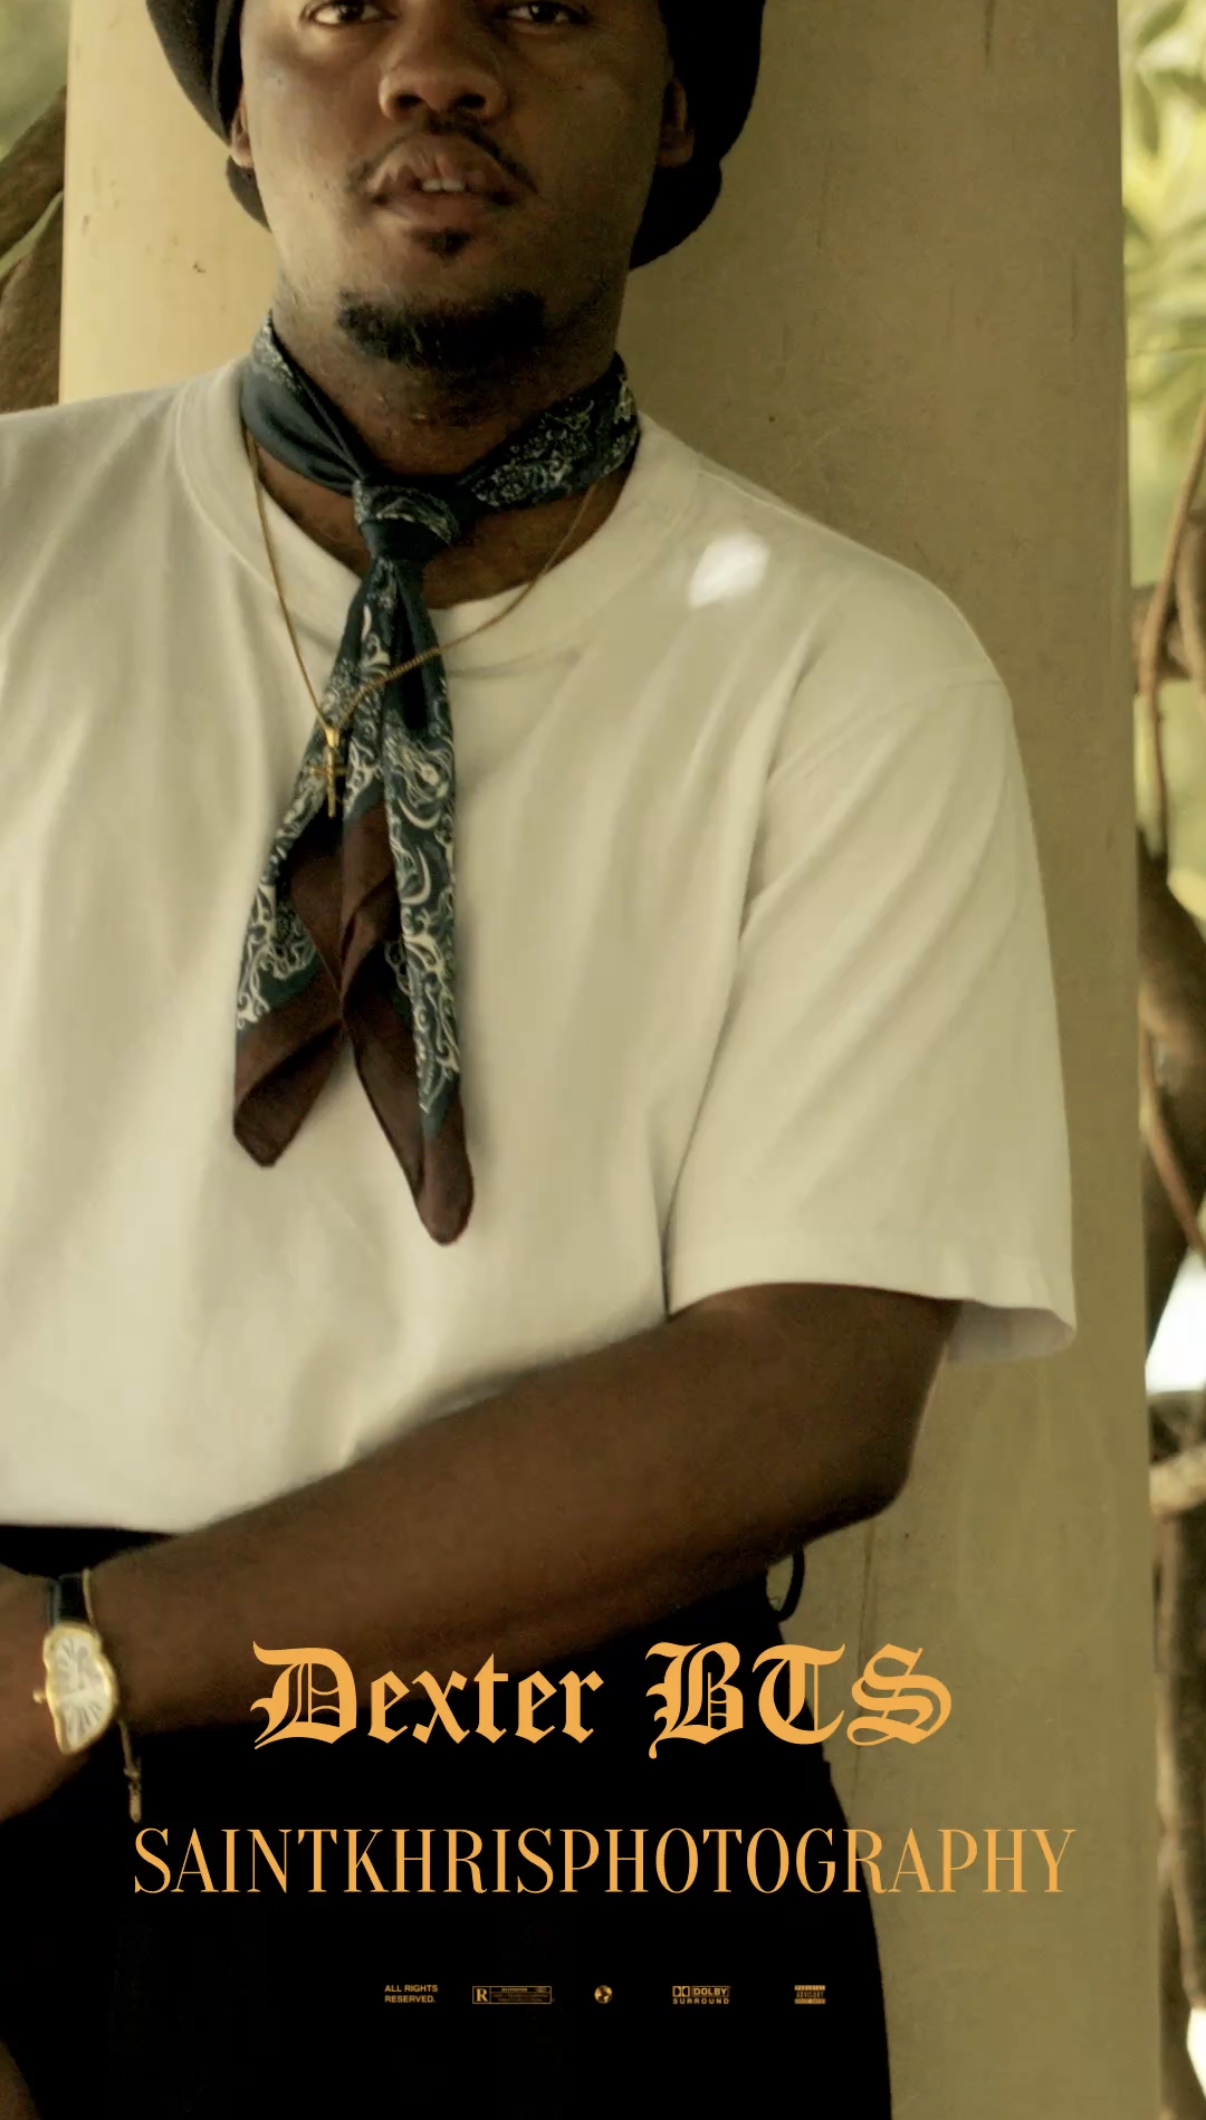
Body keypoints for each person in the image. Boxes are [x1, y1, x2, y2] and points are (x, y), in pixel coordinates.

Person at [0, 0, 1076, 2113]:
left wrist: (85, 1662)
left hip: (582, 1854)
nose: (435, 66)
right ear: (227, 89)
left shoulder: (853, 675)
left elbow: (802, 1394)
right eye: (341, 6)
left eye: (546, 3)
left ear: (681, 101)